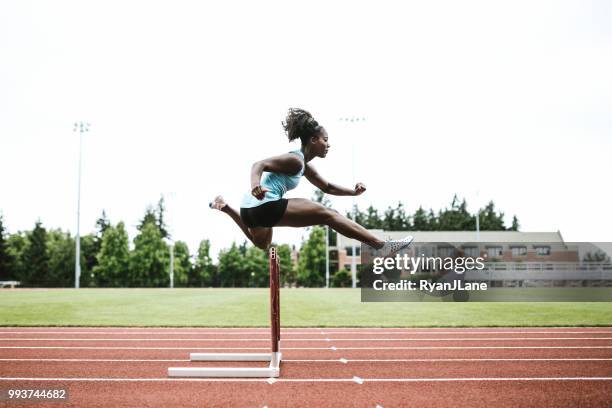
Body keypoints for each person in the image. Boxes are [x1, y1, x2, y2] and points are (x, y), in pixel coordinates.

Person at [210, 108, 412, 254]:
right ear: (313, 140)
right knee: (329, 214)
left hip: (248, 211)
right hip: (265, 203)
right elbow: (258, 164)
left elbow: (327, 187)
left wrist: (353, 192)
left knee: (262, 244)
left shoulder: (303, 166)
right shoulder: (295, 160)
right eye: (325, 139)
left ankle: (227, 208)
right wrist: (255, 185)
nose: (328, 145)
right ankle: (381, 245)